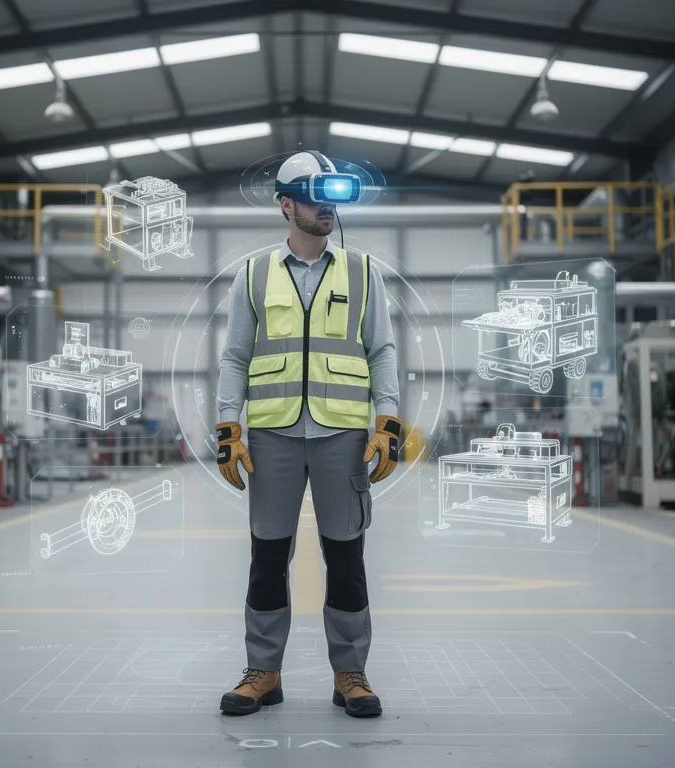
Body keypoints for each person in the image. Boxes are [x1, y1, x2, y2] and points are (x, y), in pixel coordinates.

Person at [214, 150, 401, 718]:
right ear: (286, 205)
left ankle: (351, 673)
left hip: (343, 434)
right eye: (315, 196)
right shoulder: (254, 274)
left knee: (345, 557)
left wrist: (388, 419)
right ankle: (263, 672)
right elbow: (236, 355)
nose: (327, 207)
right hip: (271, 435)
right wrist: (228, 424)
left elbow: (382, 350)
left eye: (333, 197)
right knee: (267, 556)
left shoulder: (363, 272)